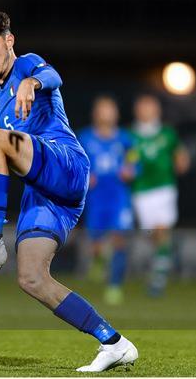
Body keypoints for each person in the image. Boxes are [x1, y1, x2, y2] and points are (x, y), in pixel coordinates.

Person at [0, 11, 138, 372]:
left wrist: (32, 82)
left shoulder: (28, 65)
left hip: (66, 163)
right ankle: (113, 342)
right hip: (44, 192)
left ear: (9, 41)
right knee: (31, 278)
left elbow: (53, 75)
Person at [78, 96, 136, 305]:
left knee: (120, 238)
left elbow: (133, 157)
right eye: (103, 109)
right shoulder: (85, 137)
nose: (107, 113)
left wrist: (131, 169)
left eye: (110, 109)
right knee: (97, 242)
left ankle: (114, 286)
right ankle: (99, 259)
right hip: (96, 196)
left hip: (119, 195)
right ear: (96, 113)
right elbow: (76, 161)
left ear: (116, 114)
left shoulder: (124, 138)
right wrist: (85, 176)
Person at [131, 94, 190, 296]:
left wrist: (181, 162)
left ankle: (158, 278)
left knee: (161, 229)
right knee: (153, 235)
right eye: (142, 106)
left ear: (157, 110)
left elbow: (180, 156)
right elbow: (127, 162)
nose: (145, 110)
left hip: (165, 188)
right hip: (141, 192)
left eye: (150, 106)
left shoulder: (167, 133)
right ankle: (163, 258)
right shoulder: (131, 136)